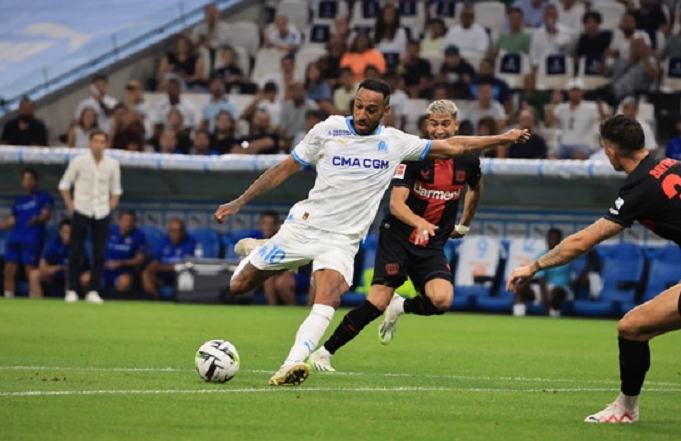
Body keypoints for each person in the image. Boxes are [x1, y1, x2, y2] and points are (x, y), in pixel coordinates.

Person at [213, 78, 530, 386]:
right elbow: (284, 168)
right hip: (303, 226)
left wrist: (503, 138)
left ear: (386, 111)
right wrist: (241, 200)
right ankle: (260, 250)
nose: (362, 115)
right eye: (358, 107)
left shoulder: (396, 142)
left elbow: (454, 147)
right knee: (238, 286)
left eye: (371, 110)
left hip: (341, 240)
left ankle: (292, 363)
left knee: (328, 297)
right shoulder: (327, 130)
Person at [507, 114, 681, 424]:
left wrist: (534, 266)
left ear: (610, 151)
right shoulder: (672, 165)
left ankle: (625, 409)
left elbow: (585, 239)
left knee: (632, 328)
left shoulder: (640, 187)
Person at [308, 100, 483, 371]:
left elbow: (476, 188)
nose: (439, 130)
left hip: (432, 244)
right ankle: (325, 352)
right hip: (399, 238)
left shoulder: (468, 160)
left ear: (456, 125)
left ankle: (401, 306)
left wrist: (465, 224)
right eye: (434, 124)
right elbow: (396, 205)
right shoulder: (414, 155)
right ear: (427, 126)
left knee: (442, 300)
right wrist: (420, 223)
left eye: (445, 124)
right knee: (377, 301)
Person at [58, 130, 123, 304]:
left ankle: (93, 290)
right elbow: (64, 184)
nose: (98, 145)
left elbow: (116, 189)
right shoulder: (79, 161)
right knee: (75, 251)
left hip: (102, 211)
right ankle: (71, 289)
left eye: (102, 142)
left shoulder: (112, 164)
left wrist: (111, 205)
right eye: (95, 141)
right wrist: (70, 205)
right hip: (82, 209)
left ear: (106, 145)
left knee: (99, 253)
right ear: (89, 143)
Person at [0, 169, 53, 298]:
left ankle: (34, 297)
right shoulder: (19, 200)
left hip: (32, 239)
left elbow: (46, 215)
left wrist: (38, 219)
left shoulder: (44, 196)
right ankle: (8, 297)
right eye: (25, 179)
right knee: (9, 269)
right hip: (15, 238)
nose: (27, 182)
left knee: (29, 270)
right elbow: (12, 220)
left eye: (30, 179)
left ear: (36, 181)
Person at [512, 228, 571, 317]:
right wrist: (545, 300)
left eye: (556, 239)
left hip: (561, 289)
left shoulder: (568, 256)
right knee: (520, 288)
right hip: (543, 289)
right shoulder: (541, 256)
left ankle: (553, 317)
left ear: (560, 240)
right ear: (547, 240)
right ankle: (518, 317)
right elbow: (541, 279)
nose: (553, 241)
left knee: (556, 292)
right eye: (551, 238)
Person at [91, 210, 146, 294]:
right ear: (119, 221)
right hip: (104, 270)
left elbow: (140, 259)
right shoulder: (109, 232)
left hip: (123, 271)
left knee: (124, 282)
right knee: (85, 279)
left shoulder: (138, 235)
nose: (128, 223)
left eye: (131, 221)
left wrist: (120, 263)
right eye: (125, 220)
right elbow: (97, 250)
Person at [140, 217, 196, 299]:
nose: (175, 234)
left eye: (178, 230)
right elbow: (156, 261)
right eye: (172, 230)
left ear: (183, 231)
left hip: (180, 276)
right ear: (168, 231)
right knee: (146, 273)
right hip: (163, 276)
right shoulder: (163, 242)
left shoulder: (190, 243)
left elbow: (187, 265)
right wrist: (150, 269)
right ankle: (155, 301)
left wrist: (162, 267)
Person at [28, 218, 74, 299]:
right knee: (34, 275)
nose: (66, 234)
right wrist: (57, 268)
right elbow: (42, 265)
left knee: (71, 275)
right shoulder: (54, 244)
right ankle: (37, 304)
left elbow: (72, 267)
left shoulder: (77, 245)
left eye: (69, 232)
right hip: (54, 275)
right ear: (60, 231)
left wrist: (60, 268)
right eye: (64, 231)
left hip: (72, 277)